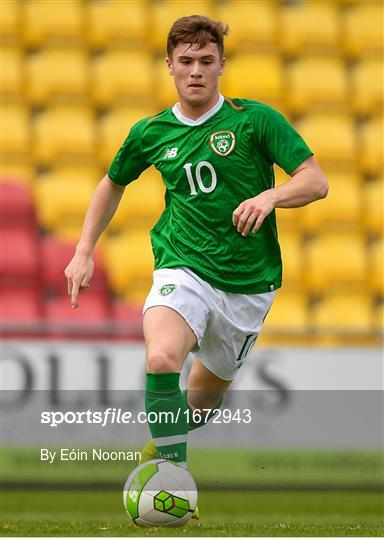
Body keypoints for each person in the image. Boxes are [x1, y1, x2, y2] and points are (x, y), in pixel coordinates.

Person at [65, 14, 328, 480]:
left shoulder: (255, 121)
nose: (195, 70)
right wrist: (84, 248)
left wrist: (270, 196)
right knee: (162, 357)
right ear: (169, 65)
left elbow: (316, 181)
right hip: (181, 266)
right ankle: (174, 481)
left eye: (206, 60)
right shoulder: (149, 133)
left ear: (222, 64)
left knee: (201, 406)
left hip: (249, 282)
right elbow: (111, 183)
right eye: (185, 61)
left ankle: (161, 447)